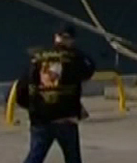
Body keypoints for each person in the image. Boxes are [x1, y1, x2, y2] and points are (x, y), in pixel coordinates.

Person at [15, 24, 96, 163]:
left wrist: (33, 108)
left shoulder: (37, 57)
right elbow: (90, 69)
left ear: (55, 37)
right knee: (72, 158)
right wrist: (77, 52)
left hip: (40, 118)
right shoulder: (74, 59)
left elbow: (22, 88)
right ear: (71, 40)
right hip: (65, 117)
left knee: (35, 156)